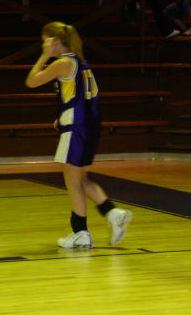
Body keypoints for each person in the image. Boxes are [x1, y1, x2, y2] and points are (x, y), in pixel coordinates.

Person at [25, 22, 133, 248]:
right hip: (88, 127)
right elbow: (80, 98)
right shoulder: (79, 62)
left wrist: (44, 56)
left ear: (54, 41)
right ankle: (112, 214)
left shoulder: (63, 63)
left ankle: (82, 233)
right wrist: (63, 116)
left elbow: (32, 81)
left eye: (45, 40)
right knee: (80, 179)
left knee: (72, 182)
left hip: (77, 129)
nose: (43, 43)